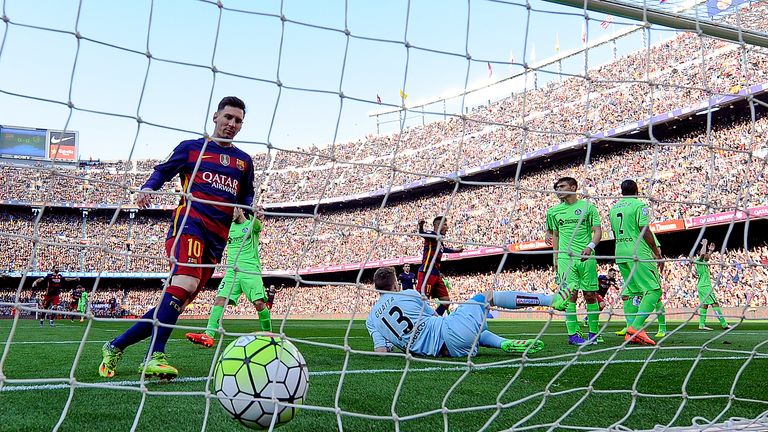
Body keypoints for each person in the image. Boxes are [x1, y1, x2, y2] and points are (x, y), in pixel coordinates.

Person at [98, 96, 255, 380]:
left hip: (216, 240)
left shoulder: (244, 161)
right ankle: (154, 356)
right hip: (188, 226)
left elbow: (246, 195)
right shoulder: (192, 149)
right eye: (228, 117)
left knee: (175, 302)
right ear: (215, 117)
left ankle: (115, 346)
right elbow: (163, 170)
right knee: (185, 283)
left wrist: (247, 210)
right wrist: (148, 188)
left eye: (238, 120)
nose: (232, 124)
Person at [366, 267, 564, 357]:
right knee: (486, 297)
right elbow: (436, 317)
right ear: (394, 285)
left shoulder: (372, 318)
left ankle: (504, 343)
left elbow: (381, 351)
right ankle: (550, 300)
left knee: (473, 330)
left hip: (450, 353)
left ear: (376, 288)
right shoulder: (409, 293)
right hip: (451, 331)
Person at [186, 205, 270, 348]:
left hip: (250, 270)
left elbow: (258, 223)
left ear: (240, 209)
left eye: (232, 210)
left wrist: (257, 213)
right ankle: (209, 335)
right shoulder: (227, 228)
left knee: (259, 303)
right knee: (219, 300)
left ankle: (269, 336)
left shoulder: (251, 224)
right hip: (232, 272)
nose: (229, 214)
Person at [545, 177, 603, 345]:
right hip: (565, 259)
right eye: (556, 187)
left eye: (562, 186)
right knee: (569, 296)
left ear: (573, 187)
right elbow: (554, 234)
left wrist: (590, 246)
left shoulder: (588, 207)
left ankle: (593, 334)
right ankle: (573, 335)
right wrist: (555, 258)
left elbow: (597, 231)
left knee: (590, 295)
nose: (558, 189)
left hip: (586, 257)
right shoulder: (553, 212)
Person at [609, 179, 664, 346]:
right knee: (654, 291)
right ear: (637, 190)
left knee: (633, 293)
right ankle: (636, 327)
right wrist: (657, 252)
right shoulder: (639, 206)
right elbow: (644, 229)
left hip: (620, 253)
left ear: (621, 191)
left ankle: (631, 334)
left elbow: (613, 231)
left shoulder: (614, 208)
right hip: (638, 253)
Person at [416, 217, 464, 316]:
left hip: (436, 274)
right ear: (438, 226)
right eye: (445, 225)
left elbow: (443, 249)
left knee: (446, 301)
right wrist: (420, 226)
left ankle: (433, 319)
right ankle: (416, 322)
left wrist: (455, 251)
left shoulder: (439, 240)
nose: (447, 227)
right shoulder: (432, 235)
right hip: (427, 272)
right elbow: (422, 233)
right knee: (421, 301)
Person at [693, 239, 731, 331]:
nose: (708, 256)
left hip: (701, 286)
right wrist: (705, 244)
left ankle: (701, 325)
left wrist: (710, 251)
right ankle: (724, 324)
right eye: (706, 254)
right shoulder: (699, 260)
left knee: (704, 305)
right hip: (705, 286)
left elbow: (706, 256)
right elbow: (703, 255)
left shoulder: (703, 263)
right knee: (715, 303)